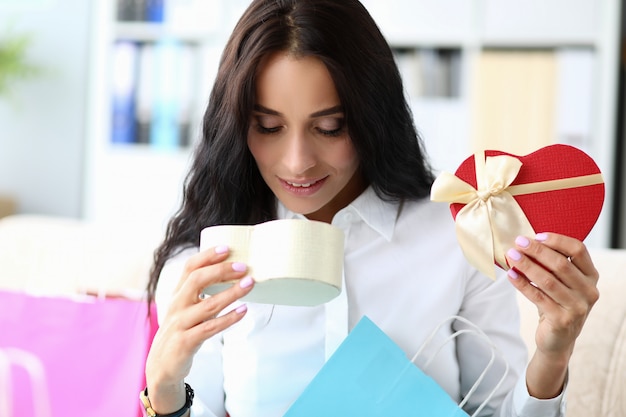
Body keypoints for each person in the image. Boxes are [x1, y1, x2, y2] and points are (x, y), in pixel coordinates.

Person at [143, 1, 600, 416]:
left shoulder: (461, 235)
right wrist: (164, 392)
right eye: (268, 127)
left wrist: (552, 355)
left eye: (330, 127)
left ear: (372, 117)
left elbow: (495, 409)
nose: (298, 161)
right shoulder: (204, 261)